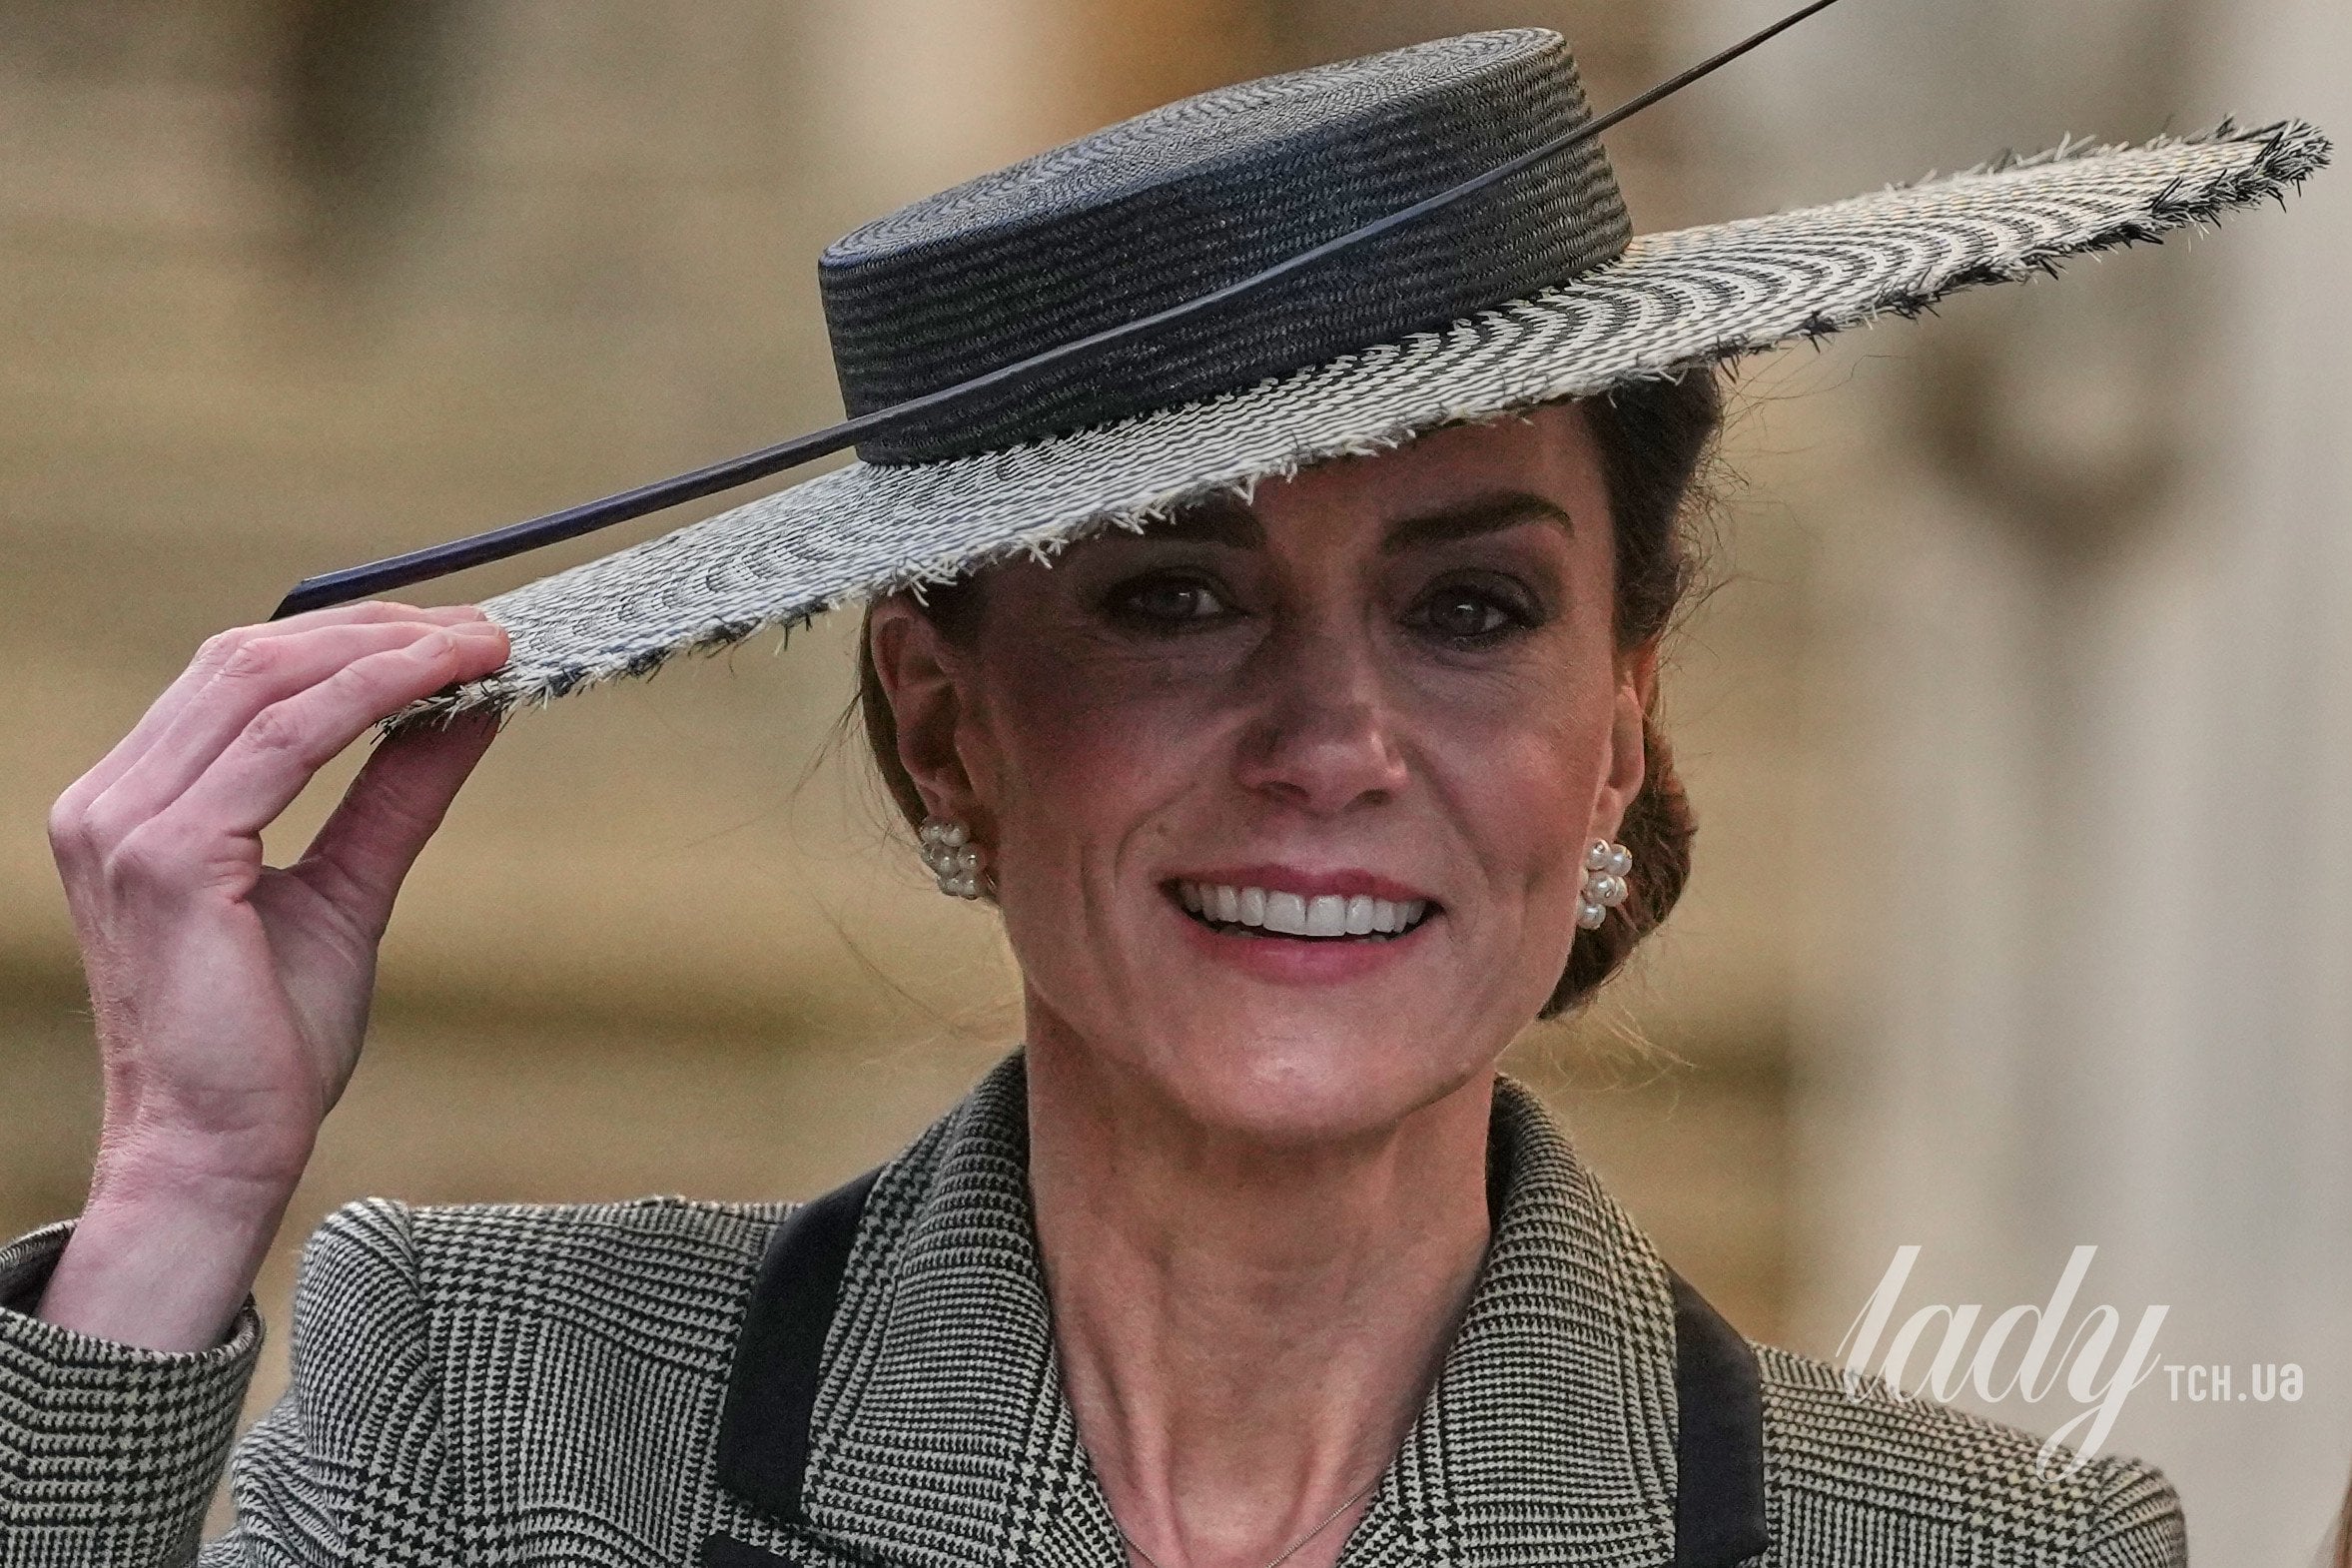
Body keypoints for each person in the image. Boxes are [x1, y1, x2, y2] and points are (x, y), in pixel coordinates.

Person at [0, 28, 2325, 1568]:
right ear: (945, 722)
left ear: (1616, 721)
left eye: (1470, 608)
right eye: (1175, 598)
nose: (1332, 742)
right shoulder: (505, 1407)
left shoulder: (1976, 1542)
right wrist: (183, 1184)